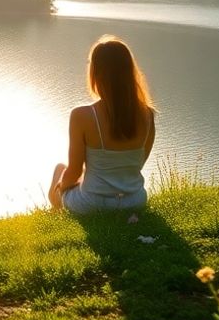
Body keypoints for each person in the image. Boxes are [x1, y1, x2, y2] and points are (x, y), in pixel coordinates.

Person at [49, 35, 155, 214]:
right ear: (129, 72)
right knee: (83, 174)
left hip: (92, 204)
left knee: (61, 169)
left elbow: (74, 171)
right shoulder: (147, 115)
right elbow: (136, 164)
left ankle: (57, 213)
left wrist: (60, 187)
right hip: (134, 201)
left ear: (95, 73)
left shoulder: (82, 115)